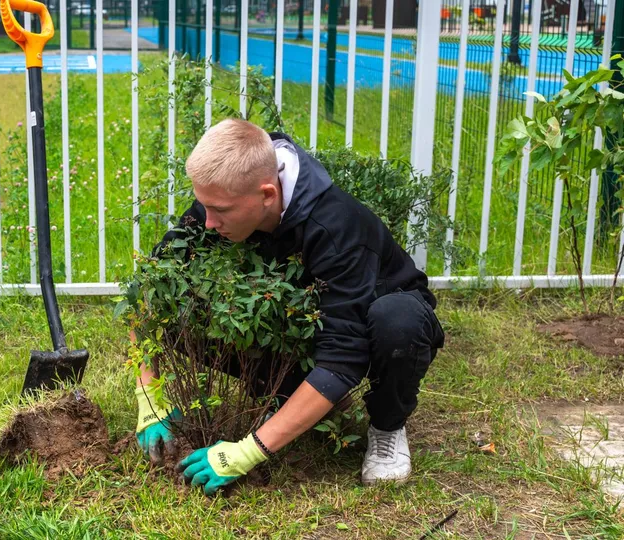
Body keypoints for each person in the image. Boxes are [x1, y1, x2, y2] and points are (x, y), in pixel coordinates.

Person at [133, 119, 445, 495]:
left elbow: (343, 357)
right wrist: (150, 397)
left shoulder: (335, 226)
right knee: (178, 313)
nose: (208, 222)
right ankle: (295, 397)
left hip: (374, 320)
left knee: (398, 322)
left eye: (219, 211)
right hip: (310, 322)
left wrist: (248, 451)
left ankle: (388, 426)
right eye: (203, 206)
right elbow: (152, 290)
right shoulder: (223, 199)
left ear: (267, 194)